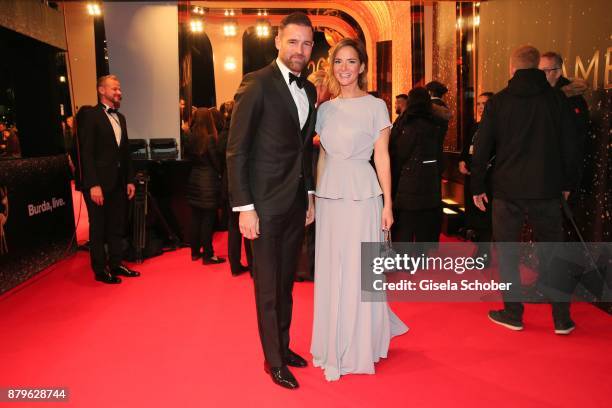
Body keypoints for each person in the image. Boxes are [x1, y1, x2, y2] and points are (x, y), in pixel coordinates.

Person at [226, 12, 317, 389]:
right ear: (278, 42)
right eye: (293, 41)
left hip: (295, 203)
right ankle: (274, 361)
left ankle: (283, 345)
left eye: (307, 43)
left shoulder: (310, 91)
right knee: (266, 287)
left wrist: (309, 194)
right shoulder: (257, 83)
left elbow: (304, 151)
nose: (300, 50)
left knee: (285, 284)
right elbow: (236, 151)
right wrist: (244, 207)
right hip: (262, 207)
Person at [311, 38, 408, 382]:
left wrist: (388, 203)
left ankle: (358, 345)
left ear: (362, 67)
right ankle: (332, 345)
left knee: (359, 270)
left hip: (364, 195)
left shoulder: (376, 106)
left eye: (351, 62)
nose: (345, 68)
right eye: (339, 61)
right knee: (332, 269)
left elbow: (382, 156)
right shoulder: (324, 109)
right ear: (332, 66)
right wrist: (314, 199)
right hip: (330, 196)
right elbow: (322, 156)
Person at [471, 45, 578, 334]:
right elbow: (571, 146)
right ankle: (562, 319)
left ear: (512, 69)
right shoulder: (557, 100)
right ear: (537, 67)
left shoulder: (500, 102)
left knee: (507, 253)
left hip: (507, 189)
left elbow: (482, 147)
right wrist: (568, 183)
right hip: (547, 188)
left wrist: (477, 184)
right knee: (553, 252)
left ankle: (513, 312)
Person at [78, 75, 140, 284]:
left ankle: (116, 263)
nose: (118, 92)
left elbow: (125, 152)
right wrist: (93, 184)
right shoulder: (91, 116)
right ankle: (99, 269)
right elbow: (86, 154)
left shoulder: (120, 117)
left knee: (116, 225)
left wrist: (130, 179)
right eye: (114, 89)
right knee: (98, 227)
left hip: (118, 182)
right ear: (101, 90)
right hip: (98, 185)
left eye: (119, 89)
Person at [391, 87, 445, 244]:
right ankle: (422, 256)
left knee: (406, 223)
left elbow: (400, 151)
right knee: (425, 222)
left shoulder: (407, 122)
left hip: (408, 179)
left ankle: (405, 258)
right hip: (430, 179)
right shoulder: (436, 122)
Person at [184, 108, 224, 265]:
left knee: (195, 218)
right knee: (208, 220)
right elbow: (216, 163)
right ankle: (208, 254)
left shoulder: (190, 137)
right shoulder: (210, 139)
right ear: (209, 119)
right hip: (208, 183)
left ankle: (195, 252)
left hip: (194, 180)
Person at [458, 92, 494, 260]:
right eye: (478, 104)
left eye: (484, 103)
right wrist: (462, 161)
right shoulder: (474, 126)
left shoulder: (496, 127)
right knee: (474, 217)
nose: (480, 107)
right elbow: (466, 148)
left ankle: (484, 254)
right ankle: (479, 250)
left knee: (484, 217)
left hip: (487, 180)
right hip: (472, 178)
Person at [218, 101, 251, 276]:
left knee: (234, 226)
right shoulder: (243, 131)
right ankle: (253, 267)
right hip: (241, 183)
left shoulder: (223, 134)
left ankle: (235, 265)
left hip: (227, 183)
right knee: (249, 225)